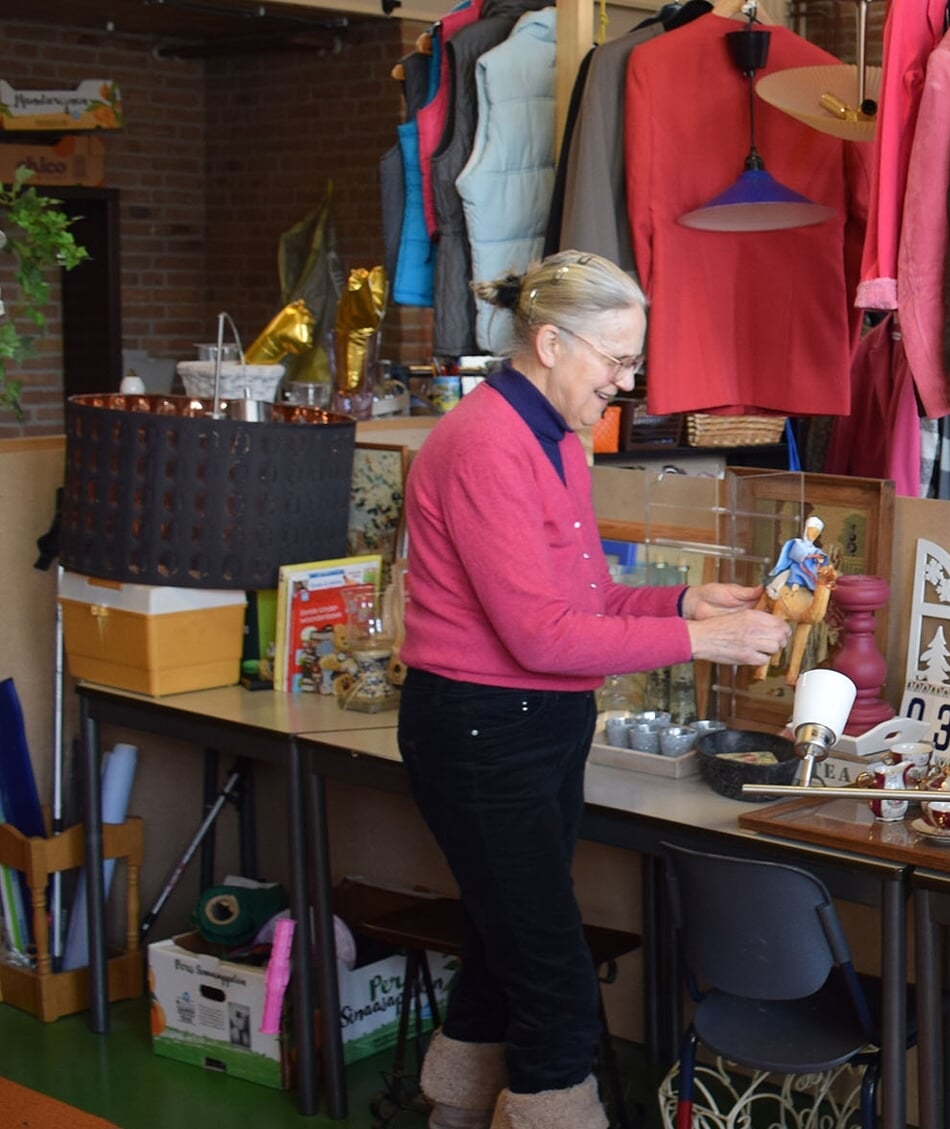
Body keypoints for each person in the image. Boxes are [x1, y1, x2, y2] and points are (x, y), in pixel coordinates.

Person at [398, 251, 791, 1129]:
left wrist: (685, 598)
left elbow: (580, 602)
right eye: (615, 361)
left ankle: (453, 1114)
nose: (627, 382)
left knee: (507, 956)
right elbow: (542, 636)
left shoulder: (556, 442)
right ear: (548, 343)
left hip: (535, 728)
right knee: (556, 982)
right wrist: (701, 639)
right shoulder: (486, 444)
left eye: (632, 363)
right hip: (481, 731)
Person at [764, 514, 829, 601]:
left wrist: (820, 559)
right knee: (793, 571)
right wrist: (809, 556)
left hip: (810, 570)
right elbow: (796, 555)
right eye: (812, 531)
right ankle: (793, 583)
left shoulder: (815, 549)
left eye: (816, 533)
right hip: (799, 568)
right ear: (806, 529)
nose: (814, 534)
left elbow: (820, 557)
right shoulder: (798, 543)